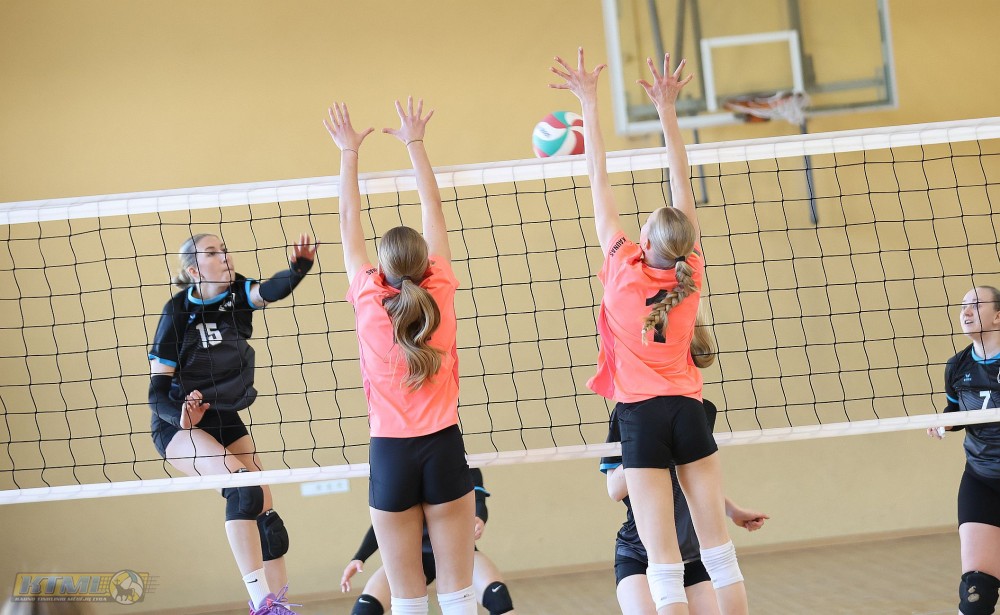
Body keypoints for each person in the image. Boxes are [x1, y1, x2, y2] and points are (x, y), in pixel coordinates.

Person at [550, 47, 749, 615]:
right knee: (718, 551)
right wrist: (667, 110)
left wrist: (589, 101)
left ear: (644, 239)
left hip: (640, 417)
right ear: (685, 245)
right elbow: (682, 181)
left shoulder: (621, 268)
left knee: (662, 560)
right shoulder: (693, 273)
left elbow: (598, 179)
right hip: (688, 409)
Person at [324, 97, 476, 615]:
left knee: (407, 599)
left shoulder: (368, 297)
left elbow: (348, 218)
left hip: (390, 454)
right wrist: (415, 141)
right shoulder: (441, 288)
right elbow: (434, 208)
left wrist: (348, 151)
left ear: (382, 267)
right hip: (443, 446)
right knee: (458, 594)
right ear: (426, 263)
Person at [147, 231, 315, 615]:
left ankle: (280, 606)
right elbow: (156, 394)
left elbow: (270, 290)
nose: (224, 256)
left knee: (266, 516)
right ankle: (261, 603)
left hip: (223, 415)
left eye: (224, 249)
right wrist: (181, 416)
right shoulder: (177, 313)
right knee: (243, 492)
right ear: (194, 270)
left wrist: (298, 269)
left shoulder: (237, 294)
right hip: (179, 425)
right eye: (212, 252)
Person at [340, 468, 517, 615]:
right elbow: (384, 526)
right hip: (411, 559)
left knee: (500, 601)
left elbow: (479, 501)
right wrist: (359, 557)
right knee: (364, 609)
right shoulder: (400, 471)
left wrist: (479, 517)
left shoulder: (466, 468)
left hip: (457, 556)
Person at [927, 286, 1000, 615]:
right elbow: (957, 411)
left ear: (998, 317)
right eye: (963, 306)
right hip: (981, 479)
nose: (966, 312)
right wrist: (944, 423)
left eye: (976, 305)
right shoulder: (957, 365)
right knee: (976, 593)